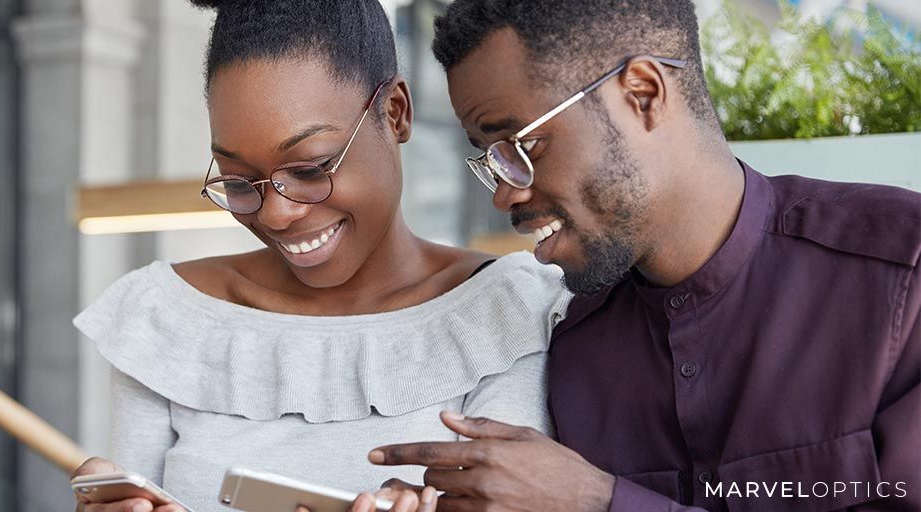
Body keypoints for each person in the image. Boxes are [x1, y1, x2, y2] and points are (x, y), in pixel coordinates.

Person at [366, 1, 920, 511]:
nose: (504, 193)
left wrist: (598, 501)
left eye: (523, 145)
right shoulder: (572, 348)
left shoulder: (902, 275)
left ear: (643, 93)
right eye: (492, 158)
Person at [69, 1, 572, 511]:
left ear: (395, 112)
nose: (277, 215)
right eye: (240, 182)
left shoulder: (509, 312)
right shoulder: (167, 319)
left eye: (310, 168)